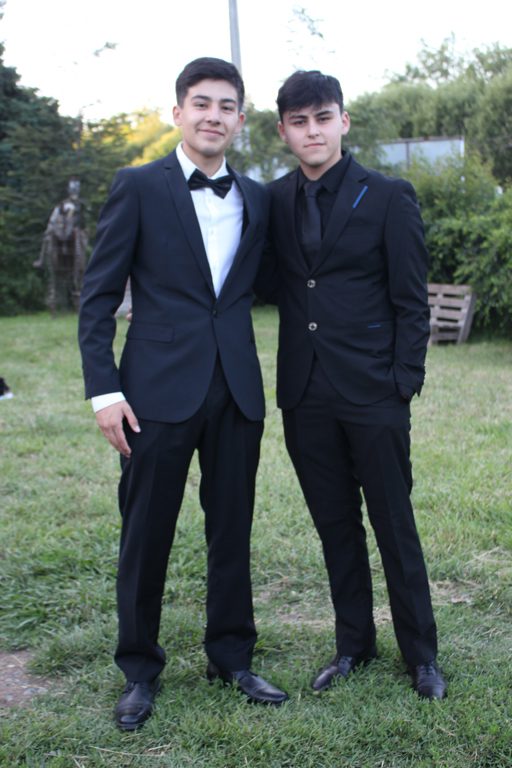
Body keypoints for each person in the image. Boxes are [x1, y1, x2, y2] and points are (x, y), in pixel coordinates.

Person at [78, 57, 288, 731]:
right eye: (201, 103)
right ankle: (140, 670)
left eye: (226, 106)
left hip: (237, 390)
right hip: (153, 393)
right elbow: (97, 298)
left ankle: (232, 657)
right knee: (146, 535)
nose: (212, 116)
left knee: (232, 530)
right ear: (178, 112)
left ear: (240, 119)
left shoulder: (258, 197)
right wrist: (104, 392)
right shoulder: (137, 186)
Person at [257, 70, 446, 700]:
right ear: (283, 131)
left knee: (394, 524)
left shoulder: (388, 196)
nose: (312, 131)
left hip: (374, 391)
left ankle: (421, 655)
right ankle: (353, 646)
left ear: (343, 121)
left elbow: (411, 300)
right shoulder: (272, 201)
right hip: (304, 392)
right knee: (335, 526)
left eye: (323, 117)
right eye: (299, 122)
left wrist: (403, 382)